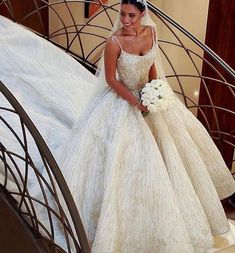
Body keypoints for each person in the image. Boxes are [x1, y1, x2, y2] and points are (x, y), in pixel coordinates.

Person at [52, 0, 235, 252]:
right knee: (127, 157)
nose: (125, 21)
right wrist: (136, 102)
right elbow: (110, 79)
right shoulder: (113, 42)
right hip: (124, 99)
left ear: (143, 14)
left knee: (172, 151)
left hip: (149, 96)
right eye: (122, 14)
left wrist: (156, 91)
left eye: (131, 16)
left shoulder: (152, 32)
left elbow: (151, 65)